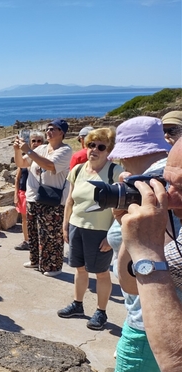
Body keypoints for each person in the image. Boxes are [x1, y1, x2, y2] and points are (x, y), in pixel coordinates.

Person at [98, 117, 173, 372]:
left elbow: (131, 281)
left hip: (147, 316)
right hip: (162, 310)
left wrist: (127, 236)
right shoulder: (164, 190)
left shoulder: (157, 200)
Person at [59, 127, 123, 330]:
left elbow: (122, 207)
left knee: (101, 273)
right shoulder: (78, 170)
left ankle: (101, 312)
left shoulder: (115, 172)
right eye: (91, 145)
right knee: (79, 269)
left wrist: (112, 236)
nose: (94, 149)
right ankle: (77, 304)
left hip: (100, 231)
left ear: (108, 150)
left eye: (101, 146)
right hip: (77, 226)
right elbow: (70, 200)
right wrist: (65, 224)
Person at [13, 119, 73, 276]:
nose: (49, 131)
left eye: (53, 129)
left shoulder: (65, 150)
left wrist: (29, 150)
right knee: (34, 233)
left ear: (62, 133)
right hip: (34, 196)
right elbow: (22, 163)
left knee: (51, 235)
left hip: (53, 197)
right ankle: (36, 261)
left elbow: (50, 166)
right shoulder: (41, 149)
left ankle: (53, 266)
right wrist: (18, 150)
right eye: (48, 128)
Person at [14, 131, 45, 251]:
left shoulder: (43, 158)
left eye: (39, 141)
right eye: (34, 141)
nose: (36, 143)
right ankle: (27, 240)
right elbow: (17, 178)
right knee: (24, 218)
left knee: (38, 220)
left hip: (39, 194)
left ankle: (38, 242)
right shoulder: (25, 159)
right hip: (24, 192)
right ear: (30, 143)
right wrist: (15, 194)